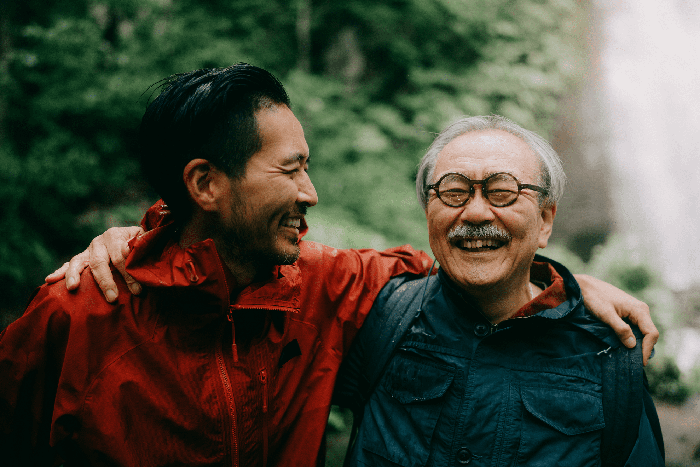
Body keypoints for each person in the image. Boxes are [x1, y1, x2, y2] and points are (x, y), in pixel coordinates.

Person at [1, 63, 656, 467]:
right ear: (204, 184)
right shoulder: (80, 309)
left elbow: (459, 263)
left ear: (546, 215)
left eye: (507, 194)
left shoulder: (322, 289)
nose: (312, 192)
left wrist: (561, 282)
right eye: (291, 170)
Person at [335, 116, 664, 466]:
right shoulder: (378, 317)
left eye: (503, 192)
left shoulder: (608, 354)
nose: (476, 213)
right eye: (454, 192)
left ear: (545, 221)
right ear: (428, 213)